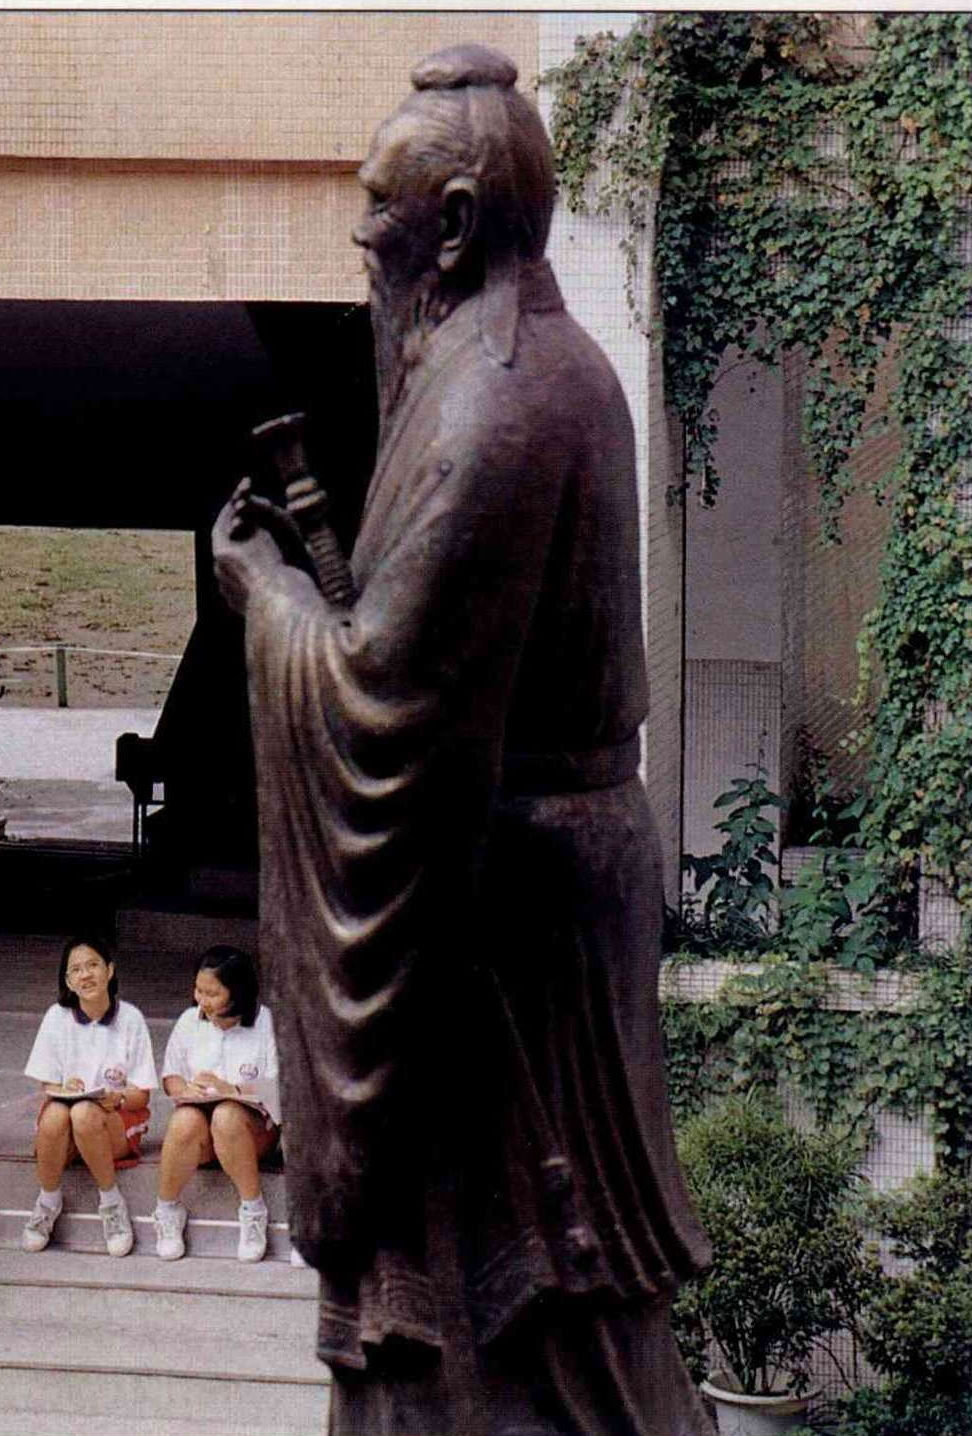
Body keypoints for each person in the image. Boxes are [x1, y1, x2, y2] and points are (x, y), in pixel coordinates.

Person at [210, 43, 711, 1433]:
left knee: (531, 1299)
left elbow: (382, 696)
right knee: (508, 1303)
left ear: (451, 222)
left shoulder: (500, 399)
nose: (362, 235)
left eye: (380, 204)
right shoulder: (514, 365)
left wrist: (267, 596)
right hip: (520, 873)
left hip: (506, 909)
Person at [19, 936, 157, 1258]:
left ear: (110, 970)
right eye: (76, 970)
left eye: (93, 965)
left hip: (114, 1121)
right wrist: (65, 1088)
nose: (86, 975)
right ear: (68, 981)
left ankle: (111, 1203)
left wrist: (118, 1098)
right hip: (67, 1122)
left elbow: (141, 1095)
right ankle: (47, 1201)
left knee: (84, 1113)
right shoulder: (56, 1017)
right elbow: (47, 1085)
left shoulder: (131, 1018)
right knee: (56, 1114)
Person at [151, 946, 280, 1263]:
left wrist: (231, 1089)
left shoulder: (266, 1023)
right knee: (185, 1119)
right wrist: (187, 1089)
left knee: (226, 1115)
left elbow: (278, 1088)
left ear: (237, 993)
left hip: (251, 1131)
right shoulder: (189, 1020)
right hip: (202, 1135)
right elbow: (171, 1075)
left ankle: (253, 1210)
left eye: (212, 993)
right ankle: (167, 1210)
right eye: (199, 990)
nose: (202, 1000)